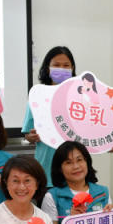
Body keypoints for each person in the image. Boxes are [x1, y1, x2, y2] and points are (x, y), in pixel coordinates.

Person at [23, 46, 76, 186]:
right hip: (46, 170)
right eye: (56, 65)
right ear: (48, 68)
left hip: (74, 170)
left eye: (66, 66)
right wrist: (31, 136)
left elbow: (89, 130)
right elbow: (27, 134)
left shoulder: (79, 98)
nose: (62, 69)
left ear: (72, 69)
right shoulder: (37, 97)